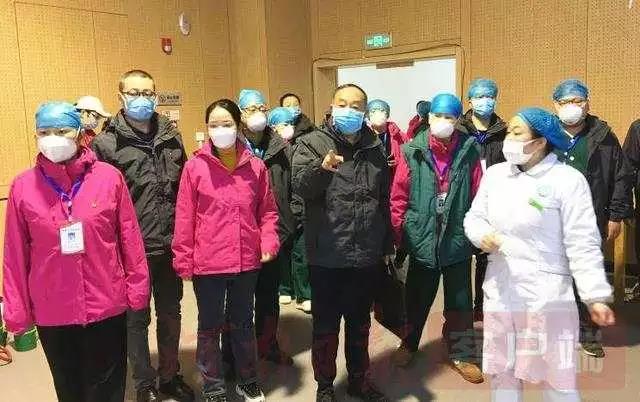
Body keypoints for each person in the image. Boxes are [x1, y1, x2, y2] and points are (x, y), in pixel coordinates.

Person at [464, 107, 616, 402]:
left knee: (557, 375)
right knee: (502, 371)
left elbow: (582, 242)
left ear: (540, 141)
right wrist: (481, 235)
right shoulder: (496, 175)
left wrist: (594, 294)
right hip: (501, 287)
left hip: (546, 295)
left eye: (516, 132)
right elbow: (474, 217)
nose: (508, 138)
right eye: (509, 132)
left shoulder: (567, 180)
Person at [3, 101, 150, 402]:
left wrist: (137, 289)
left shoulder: (109, 178)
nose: (53, 138)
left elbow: (130, 238)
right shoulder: (23, 187)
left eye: (62, 131)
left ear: (80, 134)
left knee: (108, 389)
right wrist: (17, 311)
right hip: (53, 309)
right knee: (69, 389)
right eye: (45, 132)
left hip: (105, 304)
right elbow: (14, 255)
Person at [92, 70, 194, 402]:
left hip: (169, 246)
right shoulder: (106, 145)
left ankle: (170, 375)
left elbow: (185, 190)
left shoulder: (171, 136)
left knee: (171, 314)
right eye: (134, 93)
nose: (142, 99)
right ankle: (144, 383)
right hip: (130, 252)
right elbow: (99, 203)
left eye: (148, 93)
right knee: (136, 320)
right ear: (120, 96)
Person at [172, 98, 279, 402]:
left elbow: (268, 212)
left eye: (227, 124)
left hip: (247, 260)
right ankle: (214, 387)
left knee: (243, 323)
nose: (220, 130)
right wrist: (183, 259)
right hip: (209, 262)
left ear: (238, 125)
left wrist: (268, 241)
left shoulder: (255, 167)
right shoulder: (195, 167)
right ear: (207, 128)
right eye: (214, 125)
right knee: (209, 327)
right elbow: (185, 217)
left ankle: (248, 380)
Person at [292, 83, 392, 402]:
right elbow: (300, 187)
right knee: (326, 327)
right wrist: (322, 169)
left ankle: (359, 380)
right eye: (342, 104)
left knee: (360, 324)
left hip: (365, 253)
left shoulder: (375, 146)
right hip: (327, 254)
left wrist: (386, 242)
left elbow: (383, 198)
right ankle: (325, 386)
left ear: (364, 111)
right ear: (332, 106)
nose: (349, 110)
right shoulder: (311, 143)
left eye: (356, 106)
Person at [390, 93, 484, 384]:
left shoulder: (469, 151)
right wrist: (402, 235)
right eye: (438, 116)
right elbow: (398, 197)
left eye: (449, 117)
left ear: (457, 120)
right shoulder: (412, 151)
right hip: (422, 239)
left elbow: (479, 195)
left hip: (457, 239)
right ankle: (409, 343)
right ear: (429, 118)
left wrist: (475, 232)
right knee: (416, 299)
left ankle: (463, 354)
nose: (443, 121)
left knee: (460, 302)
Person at [551, 79, 633, 358]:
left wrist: (616, 215)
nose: (572, 106)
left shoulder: (603, 136)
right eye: (565, 102)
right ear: (555, 105)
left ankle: (587, 333)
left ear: (588, 103)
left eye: (578, 100)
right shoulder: (544, 135)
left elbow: (622, 177)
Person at [237, 89, 295, 365]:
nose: (258, 114)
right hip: (238, 237)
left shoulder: (280, 148)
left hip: (273, 234)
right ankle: (235, 356)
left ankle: (268, 345)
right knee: (238, 301)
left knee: (269, 297)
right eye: (251, 109)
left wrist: (290, 222)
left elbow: (293, 187)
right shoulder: (230, 147)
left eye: (262, 108)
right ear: (240, 114)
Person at [458, 78, 507, 322]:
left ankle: (482, 307)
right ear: (470, 101)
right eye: (479, 97)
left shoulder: (504, 132)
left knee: (487, 258)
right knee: (459, 260)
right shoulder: (458, 130)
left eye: (489, 96)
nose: (484, 101)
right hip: (462, 202)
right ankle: (463, 310)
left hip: (493, 204)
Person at [279, 92, 315, 312]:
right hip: (281, 199)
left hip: (303, 199)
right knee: (283, 247)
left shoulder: (311, 132)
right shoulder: (273, 135)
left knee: (302, 250)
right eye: (287, 105)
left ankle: (304, 293)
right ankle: (285, 289)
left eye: (295, 104)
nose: (292, 108)